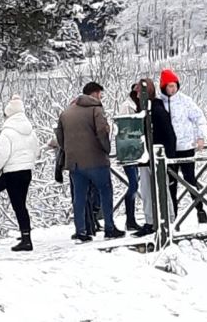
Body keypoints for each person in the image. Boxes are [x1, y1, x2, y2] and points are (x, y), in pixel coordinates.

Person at [56, 82, 125, 242]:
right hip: (96, 161)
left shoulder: (66, 112)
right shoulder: (96, 109)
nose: (101, 97)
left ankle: (81, 231)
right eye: (100, 93)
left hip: (75, 163)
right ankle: (109, 228)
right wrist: (106, 149)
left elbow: (60, 137)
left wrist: (69, 150)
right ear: (94, 94)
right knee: (105, 192)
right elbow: (102, 132)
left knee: (79, 197)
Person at [158, 68, 207, 224]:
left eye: (174, 86)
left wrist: (201, 137)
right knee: (171, 184)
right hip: (169, 150)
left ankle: (200, 209)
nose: (172, 89)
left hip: (186, 147)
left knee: (190, 180)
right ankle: (173, 217)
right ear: (163, 87)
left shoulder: (185, 101)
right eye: (169, 86)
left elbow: (199, 118)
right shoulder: (159, 104)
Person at [0, 95, 40, 251]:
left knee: (18, 206)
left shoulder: (7, 132)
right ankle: (25, 235)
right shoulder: (30, 130)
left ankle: (26, 239)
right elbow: (37, 151)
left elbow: (1, 156)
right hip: (26, 171)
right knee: (22, 205)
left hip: (12, 172)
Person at [131, 78, 174, 237]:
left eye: (139, 93)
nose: (136, 95)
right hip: (145, 156)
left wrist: (168, 157)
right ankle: (151, 221)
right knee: (146, 191)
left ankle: (168, 219)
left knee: (162, 189)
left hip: (156, 156)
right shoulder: (142, 109)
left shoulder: (156, 109)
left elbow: (169, 134)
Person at [119, 83, 142, 231]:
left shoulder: (138, 106)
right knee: (133, 184)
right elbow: (126, 128)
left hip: (136, 149)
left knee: (135, 183)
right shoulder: (127, 106)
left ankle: (131, 220)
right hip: (128, 149)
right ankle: (130, 219)